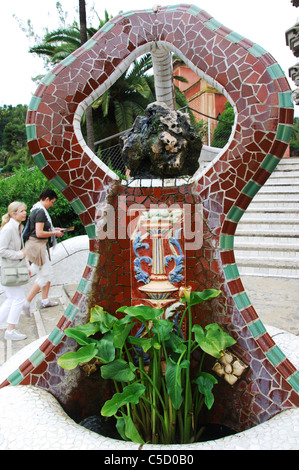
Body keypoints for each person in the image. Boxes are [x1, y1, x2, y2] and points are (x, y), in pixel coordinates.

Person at [23, 189, 64, 316]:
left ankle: (45, 300)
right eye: (52, 202)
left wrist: (53, 229)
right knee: (46, 274)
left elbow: (39, 230)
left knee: (47, 272)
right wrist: (54, 233)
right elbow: (39, 233)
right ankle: (26, 302)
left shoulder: (36, 209)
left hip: (37, 246)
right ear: (46, 199)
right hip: (37, 247)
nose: (52, 205)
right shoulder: (40, 211)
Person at [0, 201, 29, 341]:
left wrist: (25, 266)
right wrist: (20, 255)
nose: (25, 213)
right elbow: (2, 250)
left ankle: (8, 329)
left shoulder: (18, 227)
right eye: (22, 211)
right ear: (13, 213)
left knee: (12, 298)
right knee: (18, 298)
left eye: (25, 210)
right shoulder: (9, 229)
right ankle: (10, 331)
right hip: (6, 269)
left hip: (13, 269)